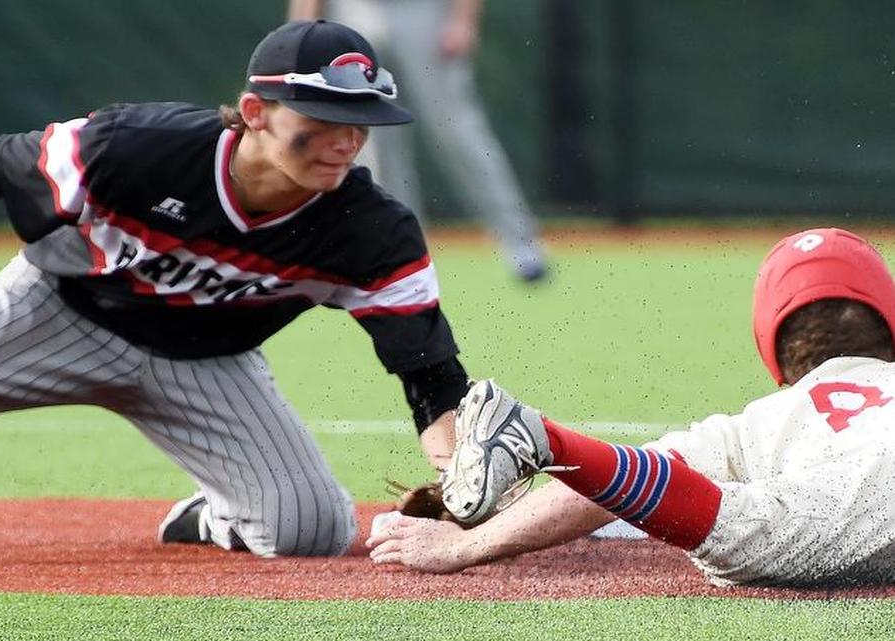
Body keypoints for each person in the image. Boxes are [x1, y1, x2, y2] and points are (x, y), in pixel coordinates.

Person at [0, 20, 471, 559]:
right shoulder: (137, 148)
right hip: (55, 311)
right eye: (323, 121)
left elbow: (430, 372)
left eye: (360, 123)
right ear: (255, 112)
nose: (345, 142)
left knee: (310, 530)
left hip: (206, 363)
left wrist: (461, 475)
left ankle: (205, 516)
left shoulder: (371, 231)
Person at [369, 227, 895, 586]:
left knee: (740, 525)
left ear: (770, 346)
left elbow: (607, 491)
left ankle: (546, 441)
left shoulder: (760, 424)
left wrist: (465, 547)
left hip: (831, 522)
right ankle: (540, 439)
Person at [287, 0, 548, 282]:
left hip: (424, 12)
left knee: (458, 133)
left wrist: (463, 19)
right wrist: (301, 29)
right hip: (356, 11)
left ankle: (521, 242)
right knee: (374, 145)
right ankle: (404, 255)